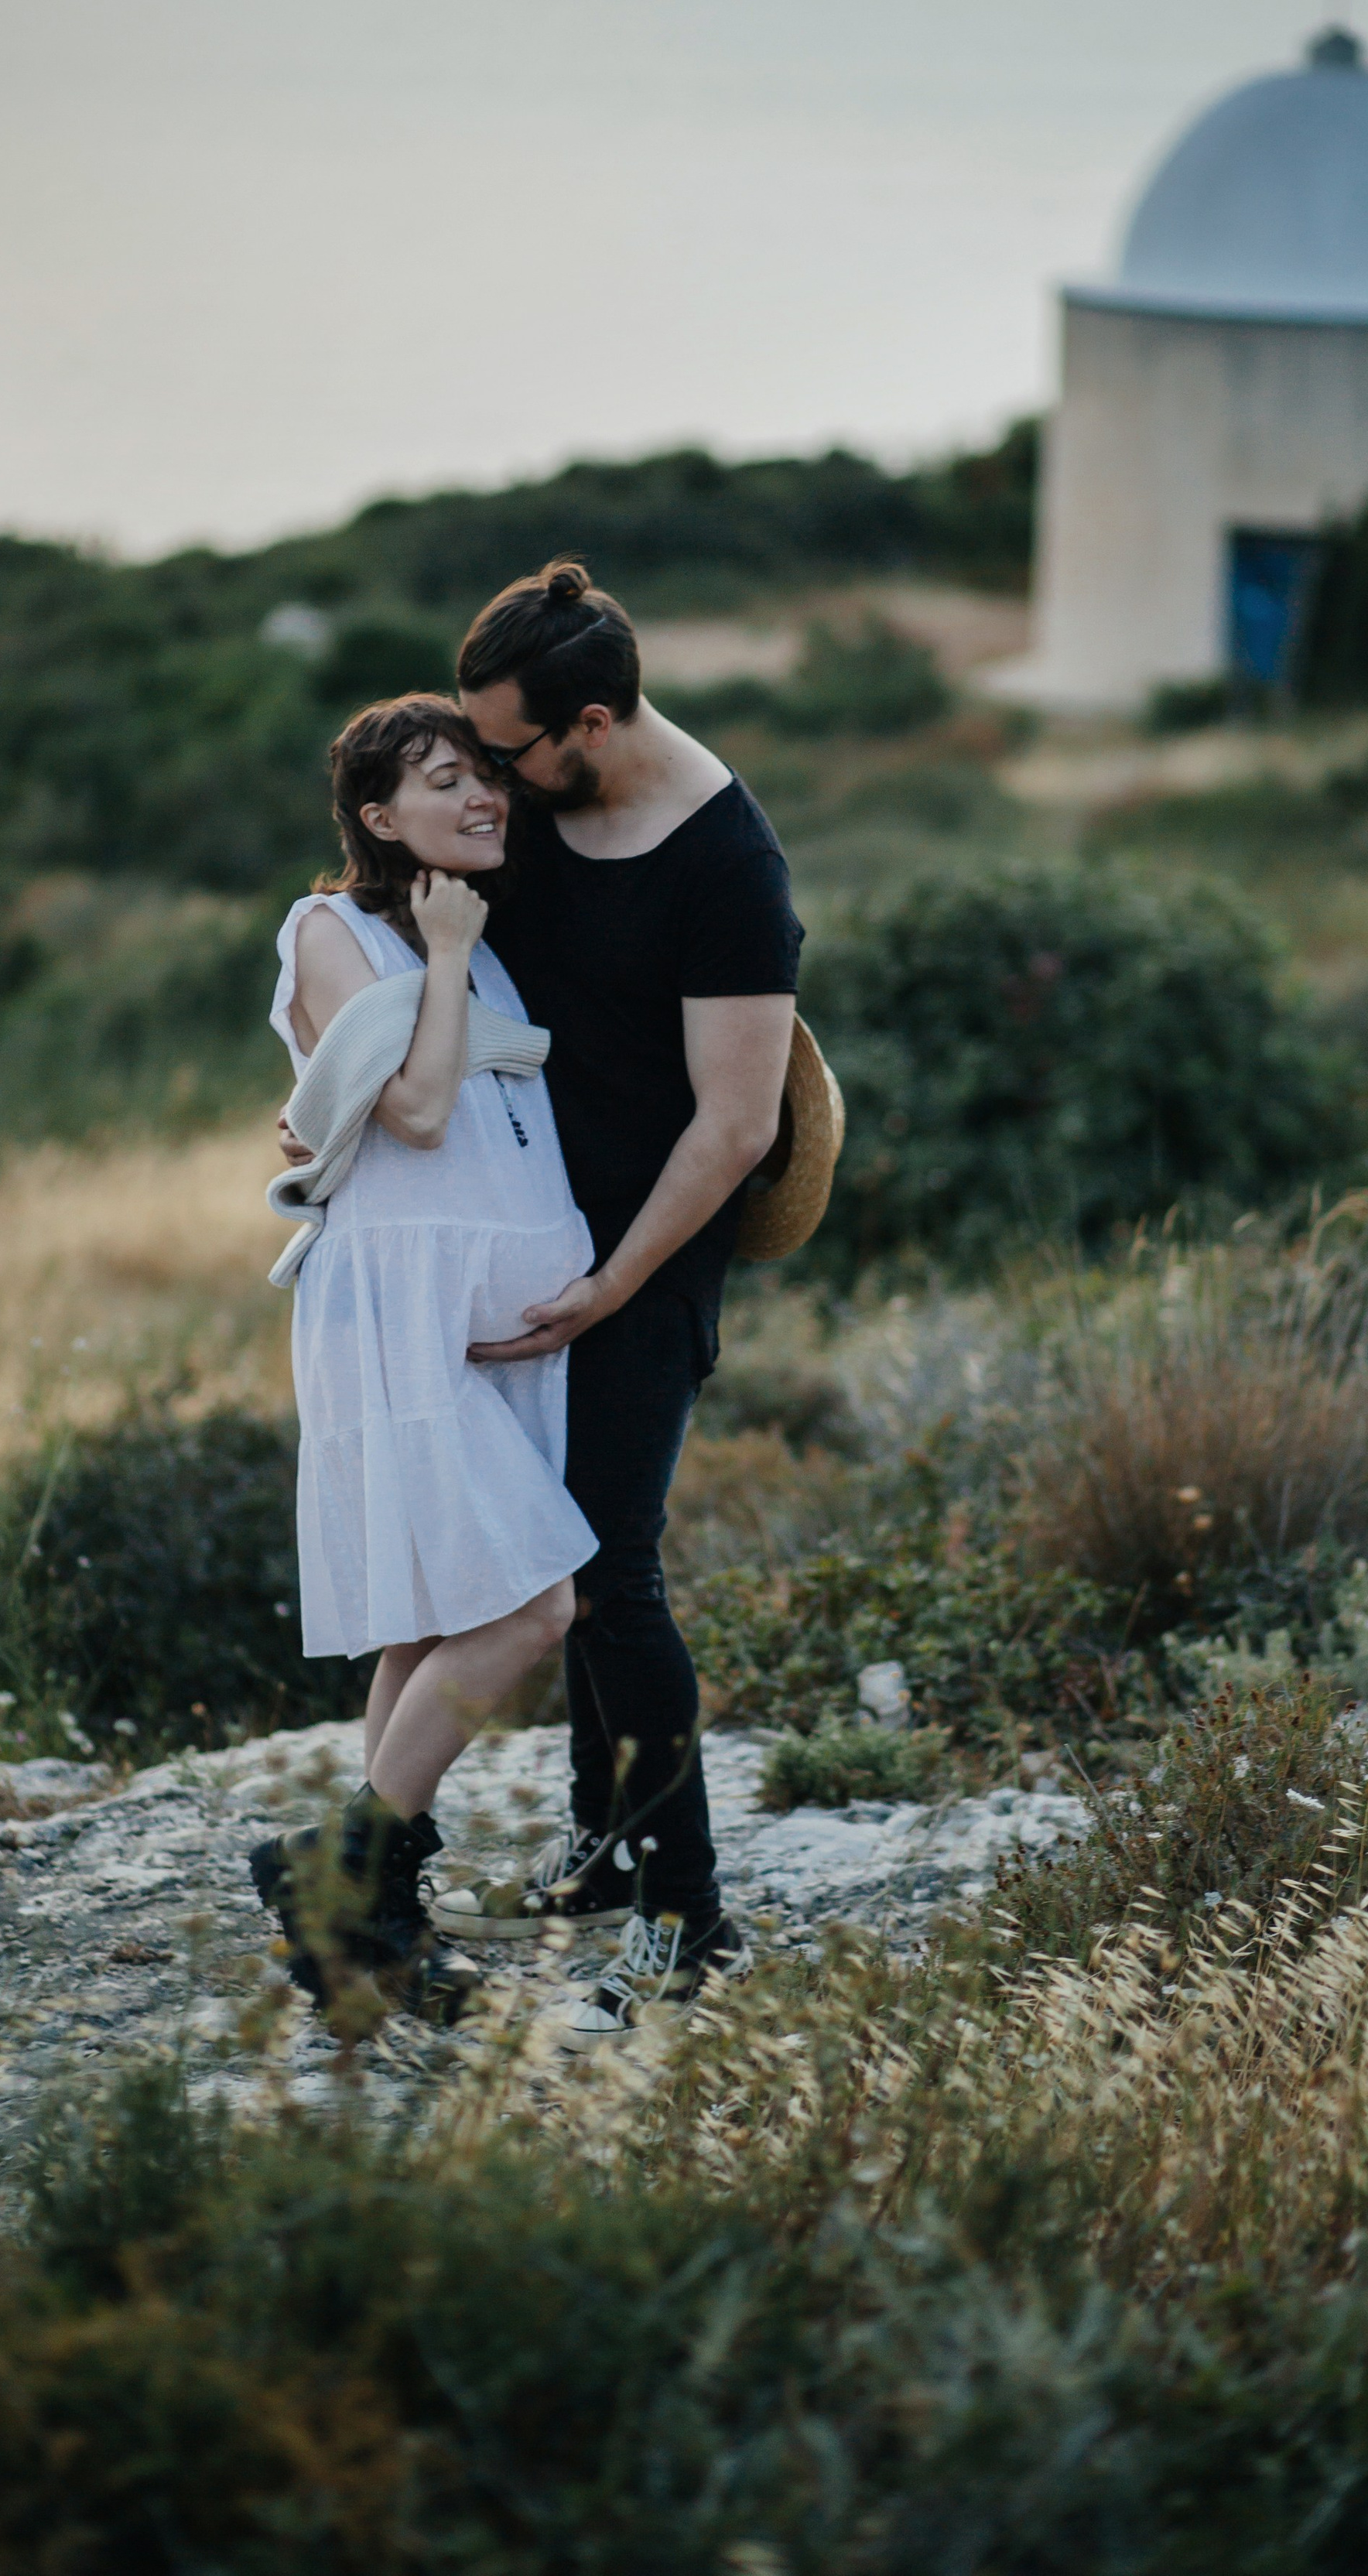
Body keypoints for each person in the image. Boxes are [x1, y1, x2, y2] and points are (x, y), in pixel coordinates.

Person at [452, 557, 801, 2040]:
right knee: (560, 1549)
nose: (490, 777)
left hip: (644, 1253)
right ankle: (601, 1842)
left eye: (509, 750)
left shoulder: (725, 866)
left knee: (613, 1574)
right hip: (528, 1229)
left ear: (591, 723)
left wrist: (611, 1288)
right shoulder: (545, 802)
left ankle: (687, 1914)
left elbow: (734, 1126)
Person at [248, 693, 599, 2021]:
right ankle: (341, 1877)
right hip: (395, 1308)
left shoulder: (487, 938)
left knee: (436, 1612)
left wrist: (464, 946)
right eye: (443, 781)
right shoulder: (330, 929)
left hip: (489, 1319)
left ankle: (366, 1930)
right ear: (378, 817)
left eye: (485, 779)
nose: (479, 798)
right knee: (532, 1607)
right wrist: (447, 955)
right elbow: (418, 1104)